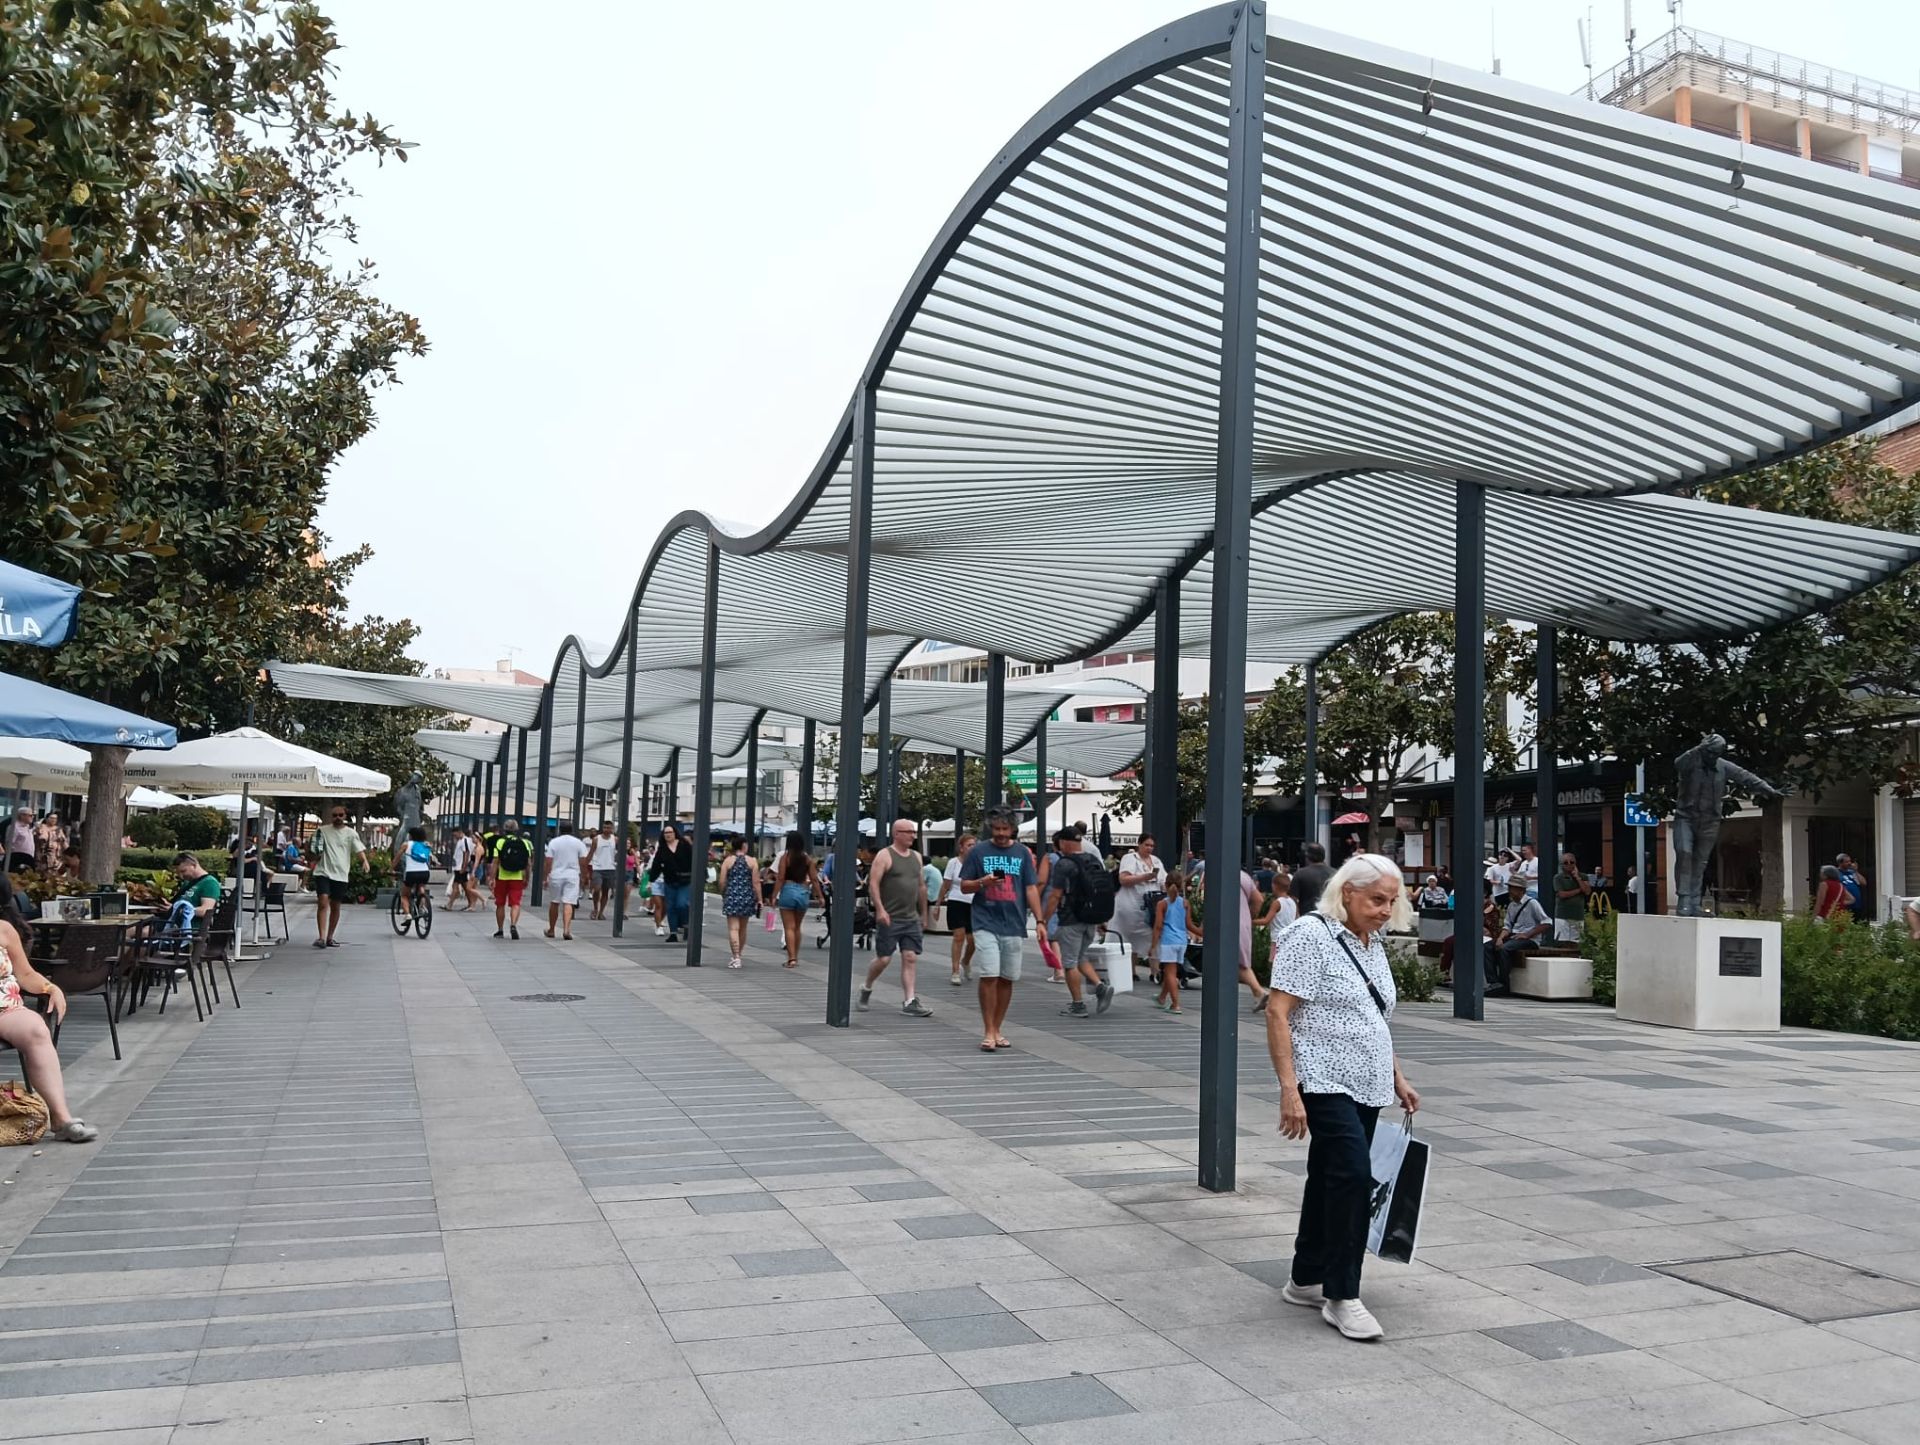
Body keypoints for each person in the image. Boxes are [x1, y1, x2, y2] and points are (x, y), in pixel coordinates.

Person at [1264, 852, 1419, 1342]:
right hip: (1324, 1078)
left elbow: (1374, 1016)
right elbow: (1277, 1012)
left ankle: (1305, 1277)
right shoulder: (1311, 936)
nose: (1384, 910)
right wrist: (1290, 1090)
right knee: (1353, 1177)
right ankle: (1342, 1293)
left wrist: (1396, 1074)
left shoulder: (1369, 941)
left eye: (1391, 902)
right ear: (1347, 891)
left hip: (1369, 1081)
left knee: (1328, 1175)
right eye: (1377, 899)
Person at [0, 896, 99, 1142]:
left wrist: (50, 987)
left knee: (37, 1030)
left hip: (5, 1006)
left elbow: (24, 973)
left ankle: (61, 1118)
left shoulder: (4, 929)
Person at [958, 809, 1043, 1053]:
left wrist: (1040, 921)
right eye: (996, 830)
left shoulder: (1022, 853)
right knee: (989, 974)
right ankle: (987, 1031)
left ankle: (997, 1028)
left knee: (1007, 977)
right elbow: (964, 887)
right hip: (985, 921)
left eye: (1005, 830)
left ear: (1012, 829)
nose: (1001, 834)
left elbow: (1030, 888)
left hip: (1014, 923)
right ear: (990, 829)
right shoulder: (979, 851)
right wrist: (983, 882)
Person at [860, 819, 933, 1016]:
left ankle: (909, 1000)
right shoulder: (884, 856)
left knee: (910, 957)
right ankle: (867, 986)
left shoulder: (917, 857)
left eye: (913, 832)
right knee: (883, 959)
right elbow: (873, 884)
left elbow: (921, 887)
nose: (912, 836)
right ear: (896, 834)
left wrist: (924, 914)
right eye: (908, 832)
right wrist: (880, 909)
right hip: (890, 917)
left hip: (910, 917)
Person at [1046, 829, 1115, 1019]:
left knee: (1069, 964)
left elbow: (1055, 895)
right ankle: (1101, 987)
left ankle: (1078, 1005)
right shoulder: (1092, 860)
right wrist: (1102, 920)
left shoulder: (1064, 864)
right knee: (1081, 957)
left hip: (1070, 920)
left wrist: (1043, 919)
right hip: (1090, 918)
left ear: (1065, 843)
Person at [308, 806, 364, 949]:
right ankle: (321, 937)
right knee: (322, 901)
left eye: (340, 815)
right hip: (323, 871)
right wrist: (312, 853)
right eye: (334, 815)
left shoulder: (351, 833)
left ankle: (330, 937)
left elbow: (359, 849)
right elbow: (314, 848)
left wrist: (365, 861)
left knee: (335, 906)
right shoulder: (322, 831)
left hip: (341, 873)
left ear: (345, 816)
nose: (337, 818)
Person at [1115, 833, 1169, 977]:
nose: (1149, 848)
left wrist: (1167, 886)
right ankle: (1131, 971)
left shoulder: (1156, 861)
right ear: (1139, 844)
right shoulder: (1130, 859)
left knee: (1155, 934)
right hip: (1131, 904)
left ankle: (1155, 971)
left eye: (1152, 846)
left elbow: (1164, 880)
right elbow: (1123, 879)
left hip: (1151, 904)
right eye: (1146, 845)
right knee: (1130, 937)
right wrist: (1144, 877)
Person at [1486, 877, 1551, 996]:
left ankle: (1504, 983)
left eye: (1512, 888)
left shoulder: (1532, 903)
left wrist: (1527, 934)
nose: (1510, 890)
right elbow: (1507, 926)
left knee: (1505, 949)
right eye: (1509, 887)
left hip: (1530, 940)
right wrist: (1500, 938)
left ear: (1521, 890)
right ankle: (1494, 982)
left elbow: (1546, 922)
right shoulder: (1512, 905)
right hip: (1514, 937)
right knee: (1488, 946)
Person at [772, 832, 821, 968]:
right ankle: (796, 957)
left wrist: (773, 896)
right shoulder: (808, 859)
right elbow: (814, 879)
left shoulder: (785, 858)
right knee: (797, 927)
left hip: (787, 891)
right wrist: (820, 896)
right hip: (803, 892)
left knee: (789, 927)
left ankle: (791, 958)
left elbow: (780, 878)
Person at [936, 831, 977, 986]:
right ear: (961, 848)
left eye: (974, 845)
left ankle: (965, 961)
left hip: (974, 903)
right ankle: (955, 971)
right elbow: (946, 884)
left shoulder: (978, 862)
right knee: (958, 936)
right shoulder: (953, 863)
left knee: (973, 940)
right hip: (956, 901)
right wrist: (938, 904)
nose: (972, 848)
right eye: (969, 845)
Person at [717, 834, 763, 968]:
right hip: (747, 897)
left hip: (732, 896)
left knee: (733, 928)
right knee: (743, 928)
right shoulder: (752, 861)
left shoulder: (728, 861)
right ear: (744, 846)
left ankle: (735, 956)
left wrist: (724, 893)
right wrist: (759, 899)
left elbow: (722, 881)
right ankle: (739, 954)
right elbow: (756, 883)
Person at [542, 821, 590, 941]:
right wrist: (585, 876)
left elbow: (548, 861)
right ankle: (566, 929)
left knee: (554, 902)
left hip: (556, 875)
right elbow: (583, 862)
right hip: (572, 875)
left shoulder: (554, 842)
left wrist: (545, 876)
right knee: (569, 902)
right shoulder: (578, 843)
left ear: (559, 830)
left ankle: (552, 929)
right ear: (572, 830)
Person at [1151, 871, 1191, 1014]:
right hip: (1182, 941)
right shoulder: (1185, 903)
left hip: (1168, 941)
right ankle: (1162, 998)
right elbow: (1189, 925)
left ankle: (1175, 1004)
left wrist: (1153, 945)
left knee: (1169, 973)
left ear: (1166, 885)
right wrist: (1201, 931)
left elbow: (1158, 926)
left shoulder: (1162, 904)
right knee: (1171, 971)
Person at [648, 822, 694, 944]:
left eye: (670, 832)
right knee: (671, 907)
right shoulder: (662, 849)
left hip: (685, 881)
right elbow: (656, 866)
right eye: (665, 833)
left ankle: (686, 925)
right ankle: (673, 933)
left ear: (675, 833)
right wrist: (651, 881)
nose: (668, 835)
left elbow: (694, 860)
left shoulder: (684, 845)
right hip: (669, 882)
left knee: (682, 904)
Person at [489, 818, 533, 940]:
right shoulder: (524, 843)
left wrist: (491, 878)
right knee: (515, 903)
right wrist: (527, 877)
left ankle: (500, 930)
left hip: (502, 877)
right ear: (516, 830)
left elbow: (495, 862)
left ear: (505, 829)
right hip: (517, 877)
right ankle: (513, 925)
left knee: (500, 904)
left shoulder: (500, 842)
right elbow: (528, 864)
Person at [169, 851, 224, 933]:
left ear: (194, 865)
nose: (181, 876)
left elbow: (205, 910)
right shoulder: (188, 882)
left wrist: (177, 910)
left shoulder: (209, 883)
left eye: (183, 871)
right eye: (178, 873)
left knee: (145, 932)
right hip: (175, 924)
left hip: (190, 928)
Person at [1550, 851, 1590, 942]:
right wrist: (1579, 890)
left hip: (1578, 916)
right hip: (1563, 915)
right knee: (1562, 942)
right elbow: (1562, 894)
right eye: (1566, 863)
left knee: (1577, 943)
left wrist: (1578, 878)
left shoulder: (1583, 876)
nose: (1569, 864)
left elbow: (1587, 891)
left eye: (1572, 862)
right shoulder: (1558, 877)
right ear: (1561, 865)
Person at [588, 820, 621, 922]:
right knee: (597, 889)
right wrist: (585, 866)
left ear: (612, 829)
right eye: (605, 827)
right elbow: (591, 853)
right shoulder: (596, 839)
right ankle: (595, 908)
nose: (606, 830)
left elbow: (619, 853)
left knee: (606, 891)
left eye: (608, 828)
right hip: (597, 868)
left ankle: (601, 912)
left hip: (610, 868)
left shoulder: (615, 839)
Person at [400, 826, 433, 918]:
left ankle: (407, 915)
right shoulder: (426, 845)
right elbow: (428, 859)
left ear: (411, 836)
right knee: (421, 887)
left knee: (404, 895)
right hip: (425, 872)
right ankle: (422, 906)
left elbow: (397, 858)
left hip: (411, 873)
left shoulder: (406, 845)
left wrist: (390, 868)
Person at [1290, 842, 1331, 916]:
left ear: (1307, 857)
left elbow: (1293, 900)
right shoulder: (1335, 874)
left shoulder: (1300, 874)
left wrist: (1297, 917)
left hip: (1307, 917)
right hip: (1330, 917)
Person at [446, 826, 480, 911]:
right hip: (459, 866)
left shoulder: (465, 841)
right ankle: (470, 904)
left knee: (455, 886)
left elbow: (466, 853)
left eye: (455, 835)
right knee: (465, 887)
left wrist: (463, 867)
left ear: (459, 832)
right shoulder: (460, 841)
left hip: (460, 867)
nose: (455, 837)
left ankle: (449, 905)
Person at [1836, 853, 1872, 922]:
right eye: (1846, 862)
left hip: (1856, 905)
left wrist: (1855, 871)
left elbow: (1863, 882)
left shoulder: (1852, 872)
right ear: (1840, 863)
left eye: (1850, 861)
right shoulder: (1836, 873)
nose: (1849, 863)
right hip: (1845, 905)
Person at [5, 806, 36, 876]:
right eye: (31, 815)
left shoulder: (28, 827)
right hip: (17, 860)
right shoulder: (14, 827)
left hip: (29, 859)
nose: (32, 817)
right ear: (22, 816)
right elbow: (9, 845)